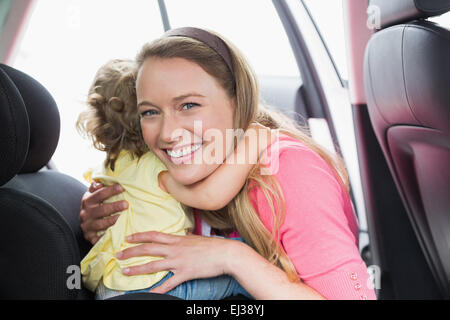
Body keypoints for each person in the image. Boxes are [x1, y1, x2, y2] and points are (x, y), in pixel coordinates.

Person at [80, 27, 377, 300]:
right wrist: (104, 221)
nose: (168, 134)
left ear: (238, 101)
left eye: (188, 105)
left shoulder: (291, 173)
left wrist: (231, 258)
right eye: (150, 112)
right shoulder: (171, 168)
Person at [76, 58, 273, 300]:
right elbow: (210, 197)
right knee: (245, 274)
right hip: (154, 283)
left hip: (113, 283)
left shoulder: (114, 163)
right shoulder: (154, 165)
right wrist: (254, 141)